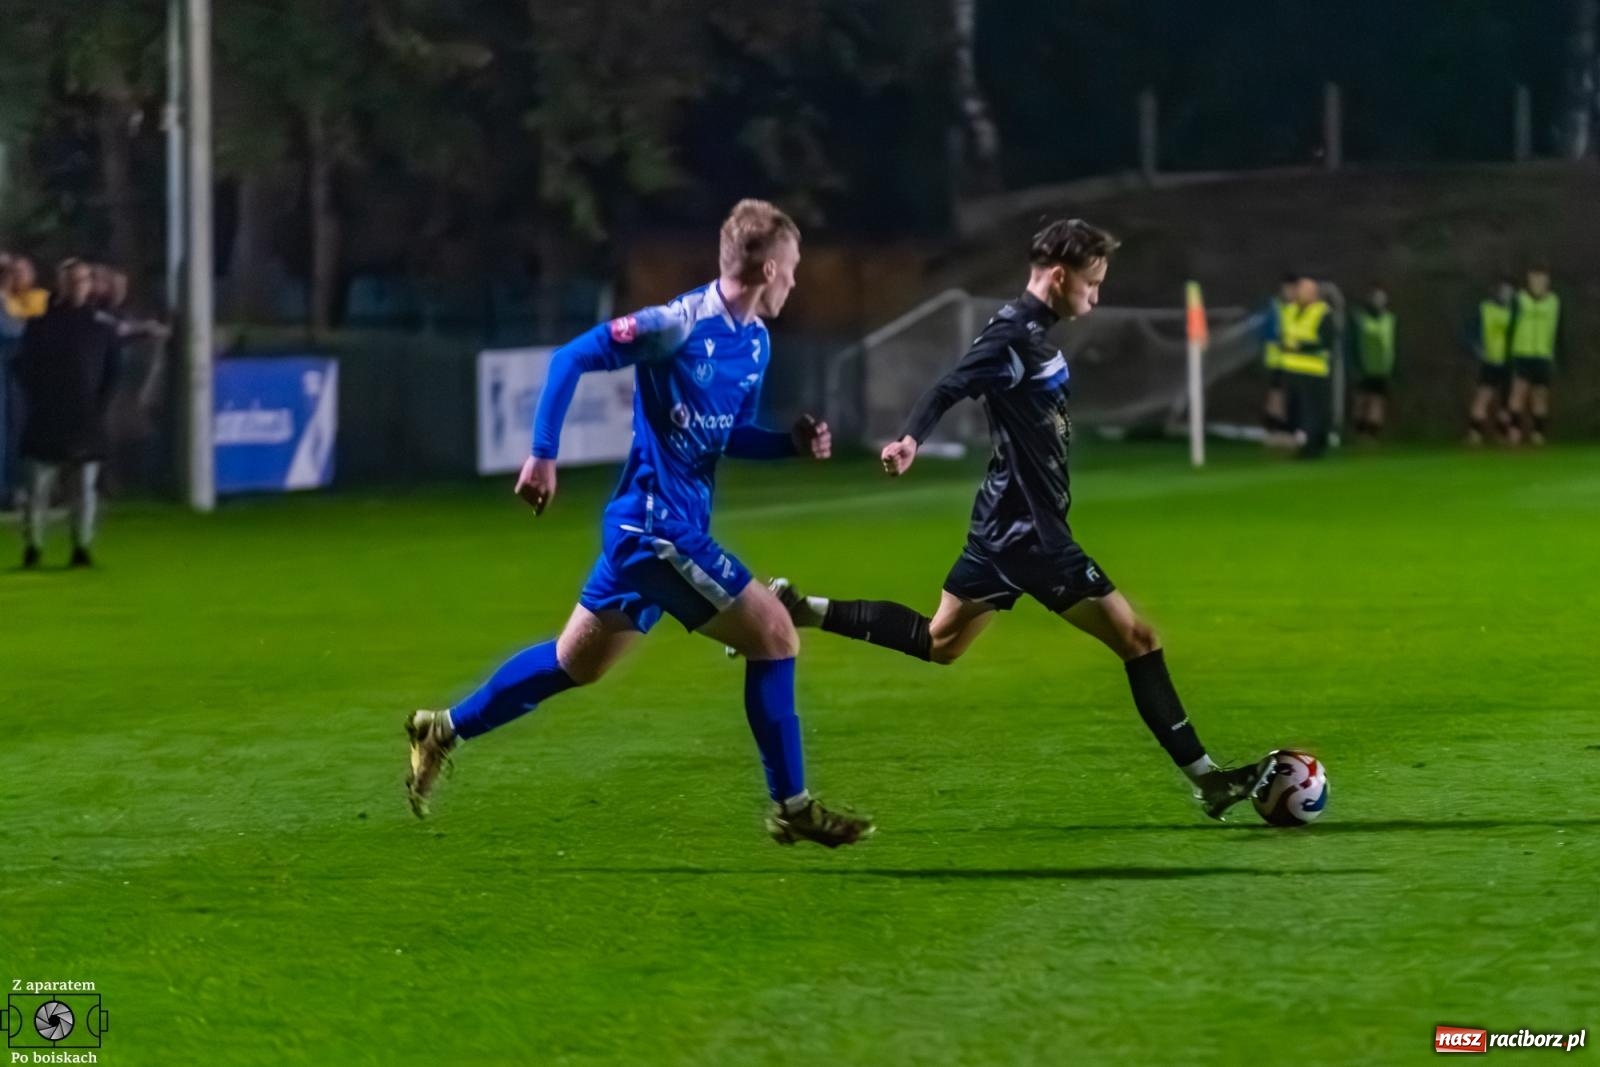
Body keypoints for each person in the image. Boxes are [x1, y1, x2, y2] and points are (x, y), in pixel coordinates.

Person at [760, 219, 1270, 821]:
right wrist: (910, 440)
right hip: (1034, 538)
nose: (1096, 296)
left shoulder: (1031, 332)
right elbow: (951, 385)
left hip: (1000, 524)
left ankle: (804, 609)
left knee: (940, 642)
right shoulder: (1011, 338)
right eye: (1093, 282)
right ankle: (1208, 780)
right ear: (1060, 276)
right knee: (1139, 641)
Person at [403, 200, 873, 848]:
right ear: (766, 269)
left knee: (575, 663)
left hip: (659, 530)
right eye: (792, 268)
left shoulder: (756, 344)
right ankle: (791, 805)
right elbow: (570, 357)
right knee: (775, 634)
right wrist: (542, 453)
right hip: (653, 529)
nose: (796, 280)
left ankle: (441, 729)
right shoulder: (675, 326)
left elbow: (729, 435)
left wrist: (787, 444)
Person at [16, 258, 120, 569]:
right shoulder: (41, 324)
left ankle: (81, 546)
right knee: (39, 487)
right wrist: (38, 399)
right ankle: (34, 546)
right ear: (61, 283)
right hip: (47, 416)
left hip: (85, 418)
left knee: (84, 487)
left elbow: (112, 374)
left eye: (84, 280)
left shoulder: (102, 327)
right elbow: (25, 368)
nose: (78, 285)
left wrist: (97, 406)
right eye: (72, 280)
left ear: (91, 285)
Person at [1279, 276, 1336, 459]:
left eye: (1306, 290)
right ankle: (1308, 443)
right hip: (1291, 369)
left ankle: (1312, 447)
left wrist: (1301, 347)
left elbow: (1326, 341)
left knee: (1311, 411)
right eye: (1300, 290)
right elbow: (1284, 335)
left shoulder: (1322, 312)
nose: (1301, 293)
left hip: (1313, 370)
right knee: (1295, 411)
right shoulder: (1289, 310)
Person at [1505, 266, 1561, 447]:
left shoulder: (1554, 301)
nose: (1538, 283)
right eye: (1535, 279)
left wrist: (1559, 354)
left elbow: (1560, 330)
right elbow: (1510, 326)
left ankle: (1538, 433)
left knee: (1540, 396)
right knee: (1518, 393)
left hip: (1543, 354)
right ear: (1529, 280)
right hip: (1522, 353)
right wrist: (1508, 352)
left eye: (1542, 279)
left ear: (1547, 281)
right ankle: (1514, 431)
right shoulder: (1519, 299)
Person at [1464, 280, 1514, 446]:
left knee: (1506, 400)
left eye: (1509, 291)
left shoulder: (1514, 311)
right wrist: (1476, 348)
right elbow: (1468, 331)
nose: (1506, 294)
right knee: (1483, 396)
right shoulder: (1485, 308)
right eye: (1504, 291)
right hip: (1489, 360)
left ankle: (1503, 434)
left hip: (1508, 361)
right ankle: (1474, 432)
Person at [1350, 284, 1396, 439]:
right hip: (1363, 364)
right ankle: (1359, 431)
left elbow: (1393, 343)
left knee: (1377, 399)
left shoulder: (1389, 319)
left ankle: (1372, 434)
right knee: (1361, 399)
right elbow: (1353, 342)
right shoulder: (1361, 318)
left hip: (1382, 367)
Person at [1260, 273, 1297, 447]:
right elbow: (1267, 331)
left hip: (1294, 360)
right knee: (1276, 395)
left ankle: (1286, 428)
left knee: (1287, 395)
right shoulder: (1274, 305)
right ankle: (1273, 429)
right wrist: (1278, 339)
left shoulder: (1298, 307)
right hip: (1276, 358)